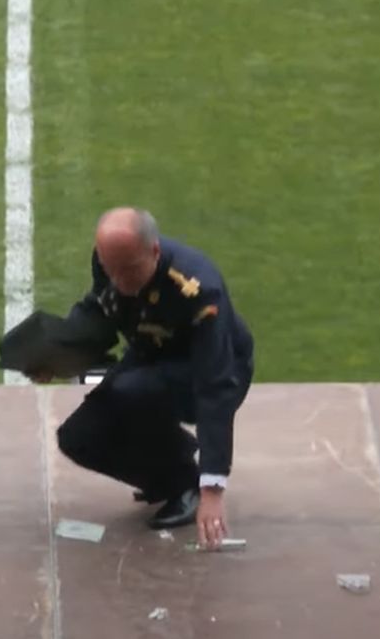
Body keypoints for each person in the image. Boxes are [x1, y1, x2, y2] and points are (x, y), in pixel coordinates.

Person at [51, 207, 253, 548]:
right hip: (152, 354)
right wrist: (53, 357)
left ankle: (190, 484)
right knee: (78, 437)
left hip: (214, 370)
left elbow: (215, 387)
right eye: (110, 270)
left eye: (128, 271)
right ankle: (172, 474)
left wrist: (213, 488)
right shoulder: (113, 263)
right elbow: (99, 312)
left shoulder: (199, 292)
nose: (118, 281)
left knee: (130, 394)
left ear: (154, 252)